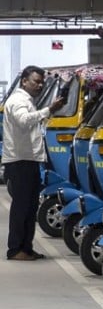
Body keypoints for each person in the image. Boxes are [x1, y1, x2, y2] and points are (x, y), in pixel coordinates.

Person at [3, 65, 66, 261]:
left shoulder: (27, 100)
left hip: (28, 160)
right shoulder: (18, 101)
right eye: (35, 81)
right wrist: (49, 110)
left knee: (30, 207)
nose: (39, 85)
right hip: (20, 161)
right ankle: (15, 249)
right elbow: (24, 120)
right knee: (21, 207)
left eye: (41, 83)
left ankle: (26, 247)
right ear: (24, 81)